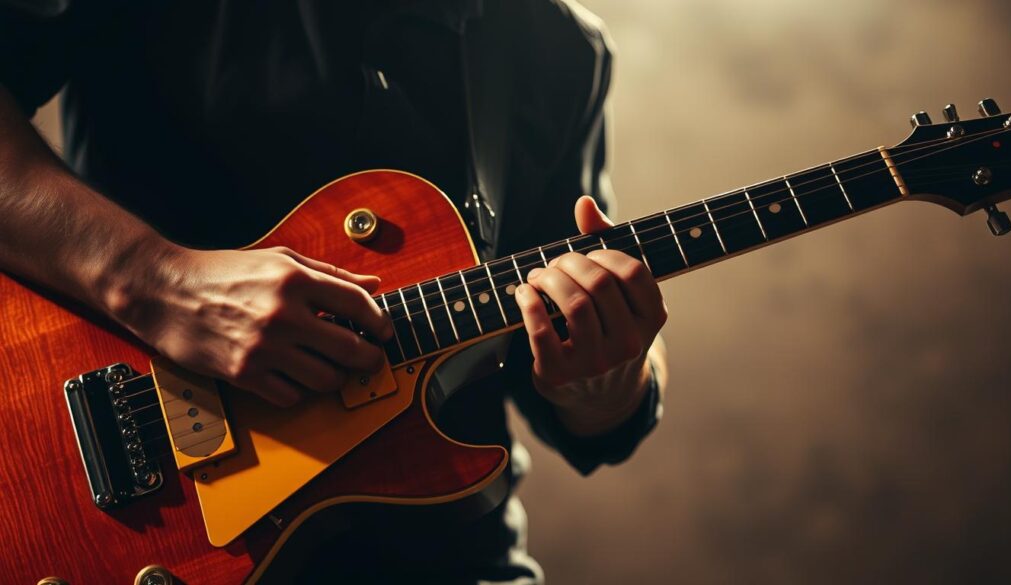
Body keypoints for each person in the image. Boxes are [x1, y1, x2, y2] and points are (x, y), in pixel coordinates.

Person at [0, 0, 668, 582]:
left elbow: (563, 353)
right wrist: (157, 281)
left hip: (447, 556)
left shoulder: (557, 48)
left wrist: (605, 382)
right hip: (128, 510)